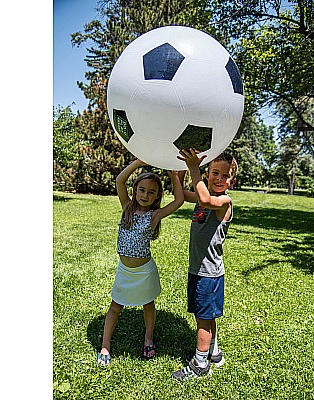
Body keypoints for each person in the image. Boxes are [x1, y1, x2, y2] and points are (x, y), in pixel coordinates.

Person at [97, 158, 184, 366]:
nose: (145, 195)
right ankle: (105, 346)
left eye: (151, 192)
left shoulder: (154, 215)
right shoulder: (127, 207)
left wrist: (174, 177)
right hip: (125, 272)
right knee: (115, 307)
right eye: (141, 190)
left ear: (157, 196)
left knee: (148, 305)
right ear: (135, 190)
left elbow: (179, 200)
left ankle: (148, 338)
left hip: (144, 272)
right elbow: (120, 181)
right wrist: (138, 162)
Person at [172, 149, 238, 380]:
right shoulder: (204, 197)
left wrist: (193, 168)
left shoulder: (223, 201)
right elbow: (180, 196)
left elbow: (205, 199)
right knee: (207, 316)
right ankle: (214, 353)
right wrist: (176, 175)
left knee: (202, 319)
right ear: (208, 175)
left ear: (232, 181)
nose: (219, 178)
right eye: (215, 173)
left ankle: (200, 365)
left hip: (208, 274)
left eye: (225, 175)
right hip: (198, 270)